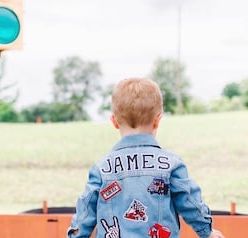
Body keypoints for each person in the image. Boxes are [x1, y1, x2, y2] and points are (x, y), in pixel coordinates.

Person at [67, 77, 225, 238]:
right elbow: (190, 201)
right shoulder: (171, 165)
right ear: (157, 121)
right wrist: (207, 231)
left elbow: (85, 212)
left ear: (114, 121)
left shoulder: (101, 169)